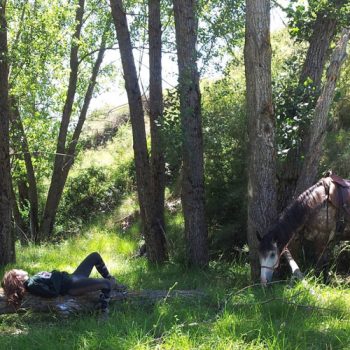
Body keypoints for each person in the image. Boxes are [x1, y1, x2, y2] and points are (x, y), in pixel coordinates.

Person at [1, 252, 126, 314]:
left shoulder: (33, 279)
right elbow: (53, 292)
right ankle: (103, 311)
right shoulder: (32, 284)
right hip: (72, 286)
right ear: (17, 277)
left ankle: (111, 279)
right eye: (17, 270)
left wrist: (55, 275)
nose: (20, 269)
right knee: (106, 284)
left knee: (95, 256)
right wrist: (55, 273)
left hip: (73, 277)